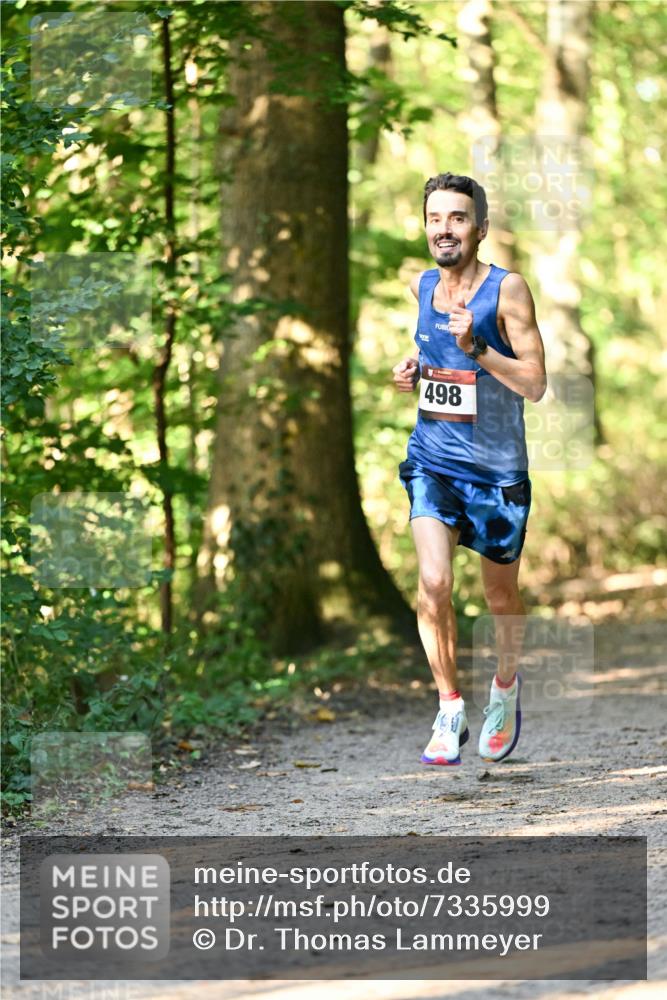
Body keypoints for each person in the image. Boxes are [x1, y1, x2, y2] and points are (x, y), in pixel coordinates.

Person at [393, 172, 546, 766]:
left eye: (457, 218)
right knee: (434, 583)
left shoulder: (508, 291)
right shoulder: (421, 285)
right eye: (435, 218)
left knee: (500, 596)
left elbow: (535, 383)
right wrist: (413, 370)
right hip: (433, 462)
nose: (444, 229)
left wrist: (478, 348)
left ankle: (504, 689)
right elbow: (433, 357)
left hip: (497, 471)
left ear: (480, 228)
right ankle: (450, 705)